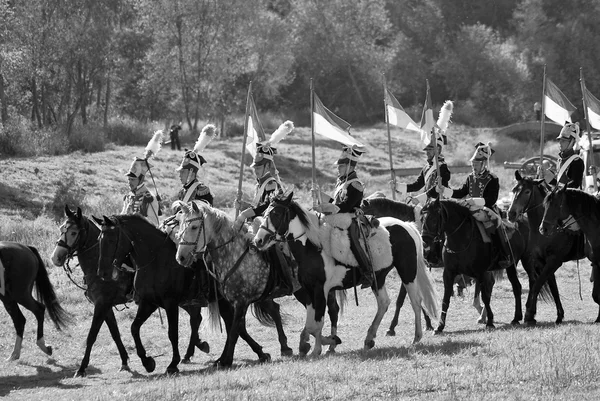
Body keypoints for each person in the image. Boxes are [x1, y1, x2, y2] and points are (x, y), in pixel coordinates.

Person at [234, 123, 301, 294]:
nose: (255, 169)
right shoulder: (262, 184)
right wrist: (243, 206)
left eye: (258, 167)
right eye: (255, 167)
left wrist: (244, 213)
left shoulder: (270, 183)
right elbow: (258, 207)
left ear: (266, 166)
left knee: (271, 247)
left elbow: (266, 208)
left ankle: (281, 280)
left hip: (273, 225)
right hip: (263, 223)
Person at [435, 142, 514, 268]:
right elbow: (461, 192)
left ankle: (503, 255)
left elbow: (491, 200)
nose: (473, 166)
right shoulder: (470, 177)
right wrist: (444, 190)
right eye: (472, 163)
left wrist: (474, 200)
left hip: (487, 209)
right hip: (469, 207)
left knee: (496, 224)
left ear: (483, 164)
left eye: (476, 164)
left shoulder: (492, 178)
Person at [167, 124, 217, 307]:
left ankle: (203, 292)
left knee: (198, 257)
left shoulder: (202, 190)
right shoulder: (183, 192)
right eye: (180, 172)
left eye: (183, 172)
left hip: (200, 233)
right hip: (186, 230)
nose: (180, 175)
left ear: (191, 172)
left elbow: (206, 214)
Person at [315, 144, 376, 288]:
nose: (338, 168)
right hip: (339, 217)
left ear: (350, 166)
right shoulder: (342, 181)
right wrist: (318, 194)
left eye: (341, 166)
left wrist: (330, 207)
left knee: (353, 240)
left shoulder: (355, 184)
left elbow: (347, 206)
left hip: (351, 218)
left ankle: (367, 271)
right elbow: (336, 202)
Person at [540, 122, 584, 189]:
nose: (560, 142)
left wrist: (552, 181)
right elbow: (559, 181)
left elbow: (574, 185)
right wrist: (546, 176)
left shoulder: (577, 162)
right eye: (560, 140)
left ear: (572, 142)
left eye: (563, 141)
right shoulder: (560, 159)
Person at [122, 157, 160, 227]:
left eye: (132, 180)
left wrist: (137, 218)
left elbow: (154, 223)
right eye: (129, 179)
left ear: (141, 180)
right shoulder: (128, 196)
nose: (129, 182)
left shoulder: (149, 198)